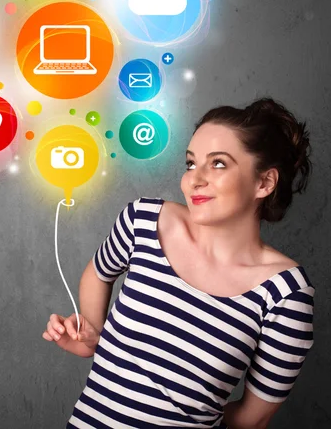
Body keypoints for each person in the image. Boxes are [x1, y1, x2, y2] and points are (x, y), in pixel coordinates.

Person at [43, 96, 316, 428]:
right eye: (190, 163)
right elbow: (98, 274)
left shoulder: (286, 294)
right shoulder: (143, 221)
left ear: (264, 183)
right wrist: (90, 334)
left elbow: (252, 420)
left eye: (217, 163)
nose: (193, 179)